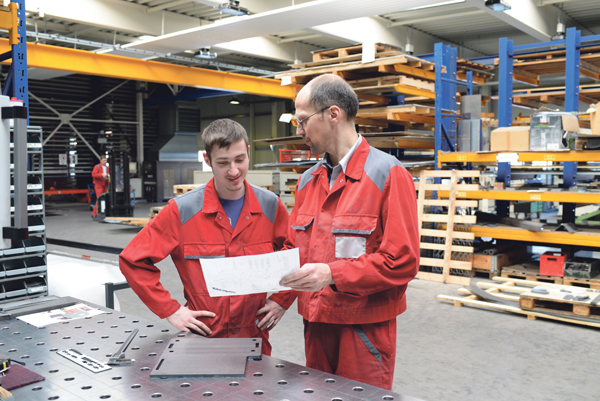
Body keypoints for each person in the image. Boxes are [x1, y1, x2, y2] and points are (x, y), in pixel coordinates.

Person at [279, 74, 420, 390]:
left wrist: (332, 274)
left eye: (302, 121)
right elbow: (294, 250)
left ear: (333, 114)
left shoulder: (388, 174)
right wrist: (278, 299)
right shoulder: (307, 181)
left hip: (362, 330)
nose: (299, 131)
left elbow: (402, 261)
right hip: (315, 324)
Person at [119, 119, 294, 355]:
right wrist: (170, 310)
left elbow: (297, 253)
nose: (233, 171)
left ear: (248, 153)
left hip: (254, 337)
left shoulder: (270, 206)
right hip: (203, 336)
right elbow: (133, 260)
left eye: (240, 160)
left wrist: (282, 299)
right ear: (207, 160)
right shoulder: (182, 211)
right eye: (223, 163)